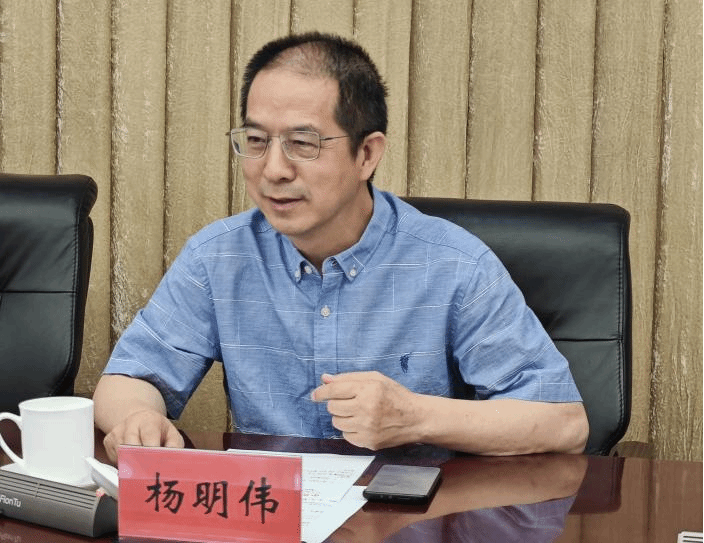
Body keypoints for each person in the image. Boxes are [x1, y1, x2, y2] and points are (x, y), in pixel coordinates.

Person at [93, 32, 589, 463]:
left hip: (411, 519)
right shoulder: (217, 257)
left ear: (367, 154)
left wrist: (415, 416)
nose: (273, 170)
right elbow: (128, 380)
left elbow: (563, 423)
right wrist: (139, 417)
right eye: (257, 140)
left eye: (303, 144)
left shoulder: (455, 265)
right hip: (273, 513)